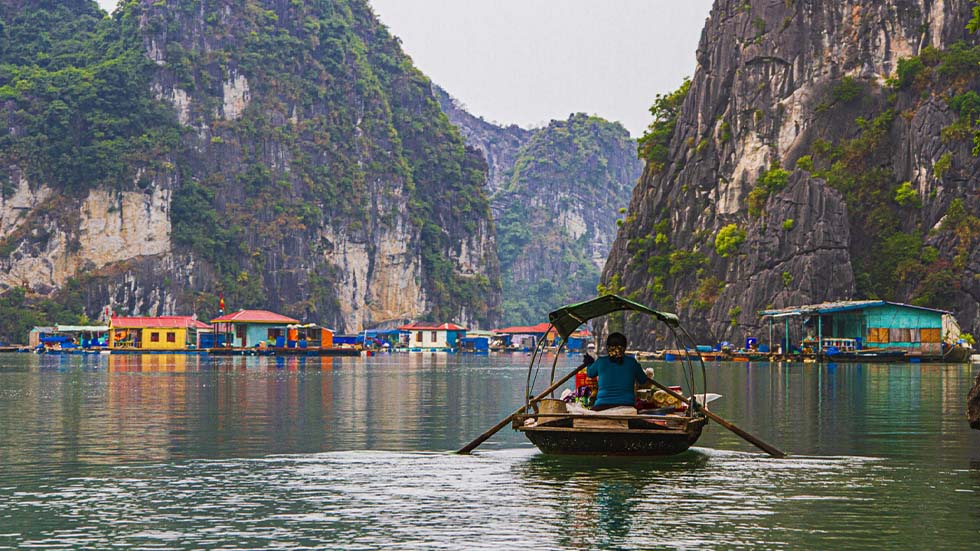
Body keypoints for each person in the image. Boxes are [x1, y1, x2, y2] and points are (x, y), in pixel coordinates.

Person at [583, 332, 653, 411]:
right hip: (627, 404)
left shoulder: (600, 361)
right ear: (625, 348)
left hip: (602, 405)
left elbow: (590, 373)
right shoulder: (632, 362)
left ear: (608, 347)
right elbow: (643, 380)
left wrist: (589, 363)